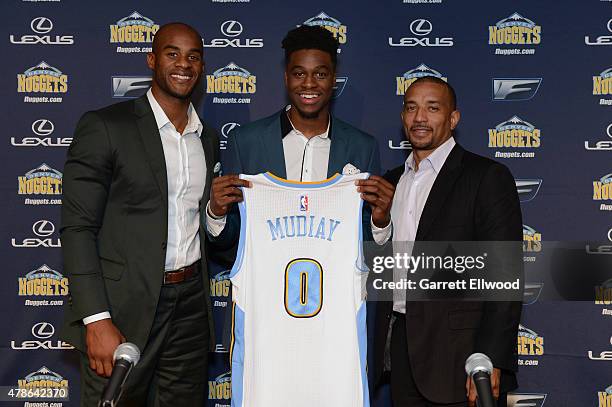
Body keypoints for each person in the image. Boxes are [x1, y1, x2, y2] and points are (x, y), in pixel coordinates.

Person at [60, 23, 218, 406]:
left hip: (190, 306)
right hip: (123, 306)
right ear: (152, 59)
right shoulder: (106, 127)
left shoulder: (206, 139)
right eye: (172, 53)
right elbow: (78, 227)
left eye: (193, 56)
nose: (184, 64)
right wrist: (96, 320)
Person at [373, 77, 522, 407]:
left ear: (453, 119)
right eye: (411, 108)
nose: (420, 117)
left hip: (460, 355)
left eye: (432, 108)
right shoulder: (390, 182)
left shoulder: (486, 177)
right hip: (400, 349)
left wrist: (491, 359)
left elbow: (505, 275)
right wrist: (379, 224)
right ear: (402, 117)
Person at [206, 25, 394, 246]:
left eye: (320, 74)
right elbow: (232, 237)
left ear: (334, 80)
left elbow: (366, 239)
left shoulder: (363, 146)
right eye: (299, 74)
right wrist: (216, 213)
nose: (309, 83)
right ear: (287, 78)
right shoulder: (245, 142)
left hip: (335, 280)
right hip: (266, 279)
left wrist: (380, 221)